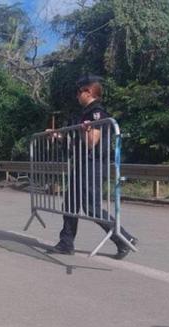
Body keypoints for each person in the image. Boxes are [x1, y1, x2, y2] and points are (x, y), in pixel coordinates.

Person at [49, 75, 138, 259]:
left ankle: (124, 239)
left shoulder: (96, 112)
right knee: (70, 203)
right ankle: (66, 243)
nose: (76, 96)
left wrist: (85, 132)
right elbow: (75, 139)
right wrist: (58, 136)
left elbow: (91, 142)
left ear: (88, 91)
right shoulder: (84, 112)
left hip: (92, 164)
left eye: (78, 92)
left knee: (91, 207)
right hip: (81, 162)